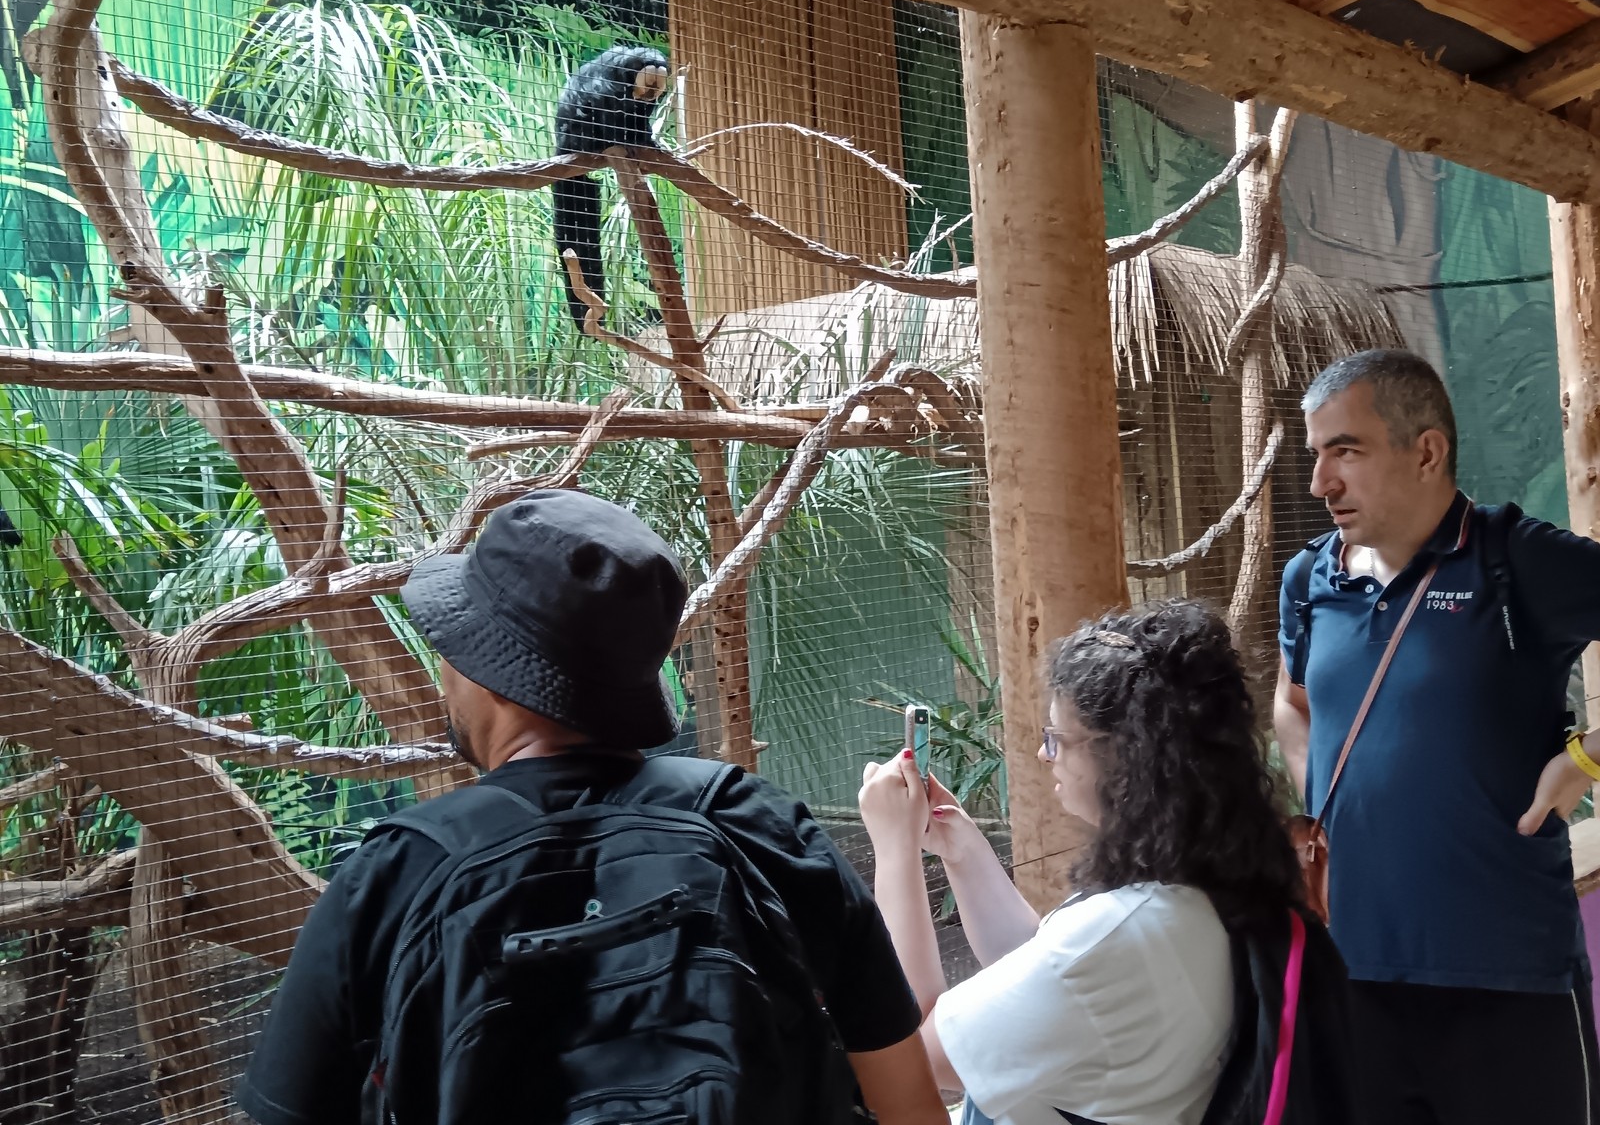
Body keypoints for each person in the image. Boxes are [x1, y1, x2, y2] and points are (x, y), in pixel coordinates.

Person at [236, 488, 947, 1125]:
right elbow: (909, 1104)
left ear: (496, 678)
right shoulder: (756, 824)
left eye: (453, 646)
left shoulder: (400, 872)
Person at [861, 599, 1354, 1125]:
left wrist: (893, 851)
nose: (1044, 755)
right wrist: (962, 852)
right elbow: (1044, 971)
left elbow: (913, 1057)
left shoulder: (1120, 935)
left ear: (1127, 757)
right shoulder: (1210, 885)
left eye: (1058, 739)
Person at [1274, 347, 1600, 1125]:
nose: (1321, 483)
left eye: (1344, 452)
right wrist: (1322, 802)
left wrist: (1587, 757)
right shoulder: (1308, 580)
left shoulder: (1515, 560)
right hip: (1355, 978)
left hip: (1509, 978)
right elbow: (1292, 701)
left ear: (1427, 451)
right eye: (1316, 455)